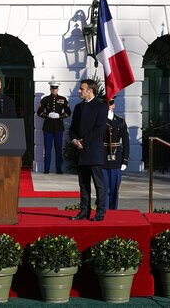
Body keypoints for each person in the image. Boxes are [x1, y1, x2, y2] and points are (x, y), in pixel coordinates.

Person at [68, 80, 108, 221]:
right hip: (80, 151)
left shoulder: (101, 107)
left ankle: (100, 211)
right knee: (83, 184)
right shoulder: (78, 107)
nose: (79, 91)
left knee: (99, 184)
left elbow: (99, 129)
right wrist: (74, 140)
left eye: (81, 89)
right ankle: (84, 211)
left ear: (90, 91)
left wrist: (83, 142)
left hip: (93, 151)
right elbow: (72, 128)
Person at [37, 82, 71, 174]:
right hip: (47, 127)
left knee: (58, 149)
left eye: (55, 88)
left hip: (59, 128)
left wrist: (59, 116)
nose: (54, 90)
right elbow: (39, 112)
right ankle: (46, 169)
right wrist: (48, 115)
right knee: (47, 149)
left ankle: (58, 168)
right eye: (52, 88)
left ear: (58, 89)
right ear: (50, 89)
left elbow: (68, 112)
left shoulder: (63, 99)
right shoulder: (45, 99)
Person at [103, 98, 128, 210]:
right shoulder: (100, 120)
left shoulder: (120, 121)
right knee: (103, 189)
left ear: (114, 105)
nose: (109, 105)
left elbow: (126, 143)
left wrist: (125, 160)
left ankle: (113, 212)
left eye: (111, 103)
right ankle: (103, 211)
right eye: (107, 103)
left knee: (114, 190)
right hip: (103, 157)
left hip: (116, 158)